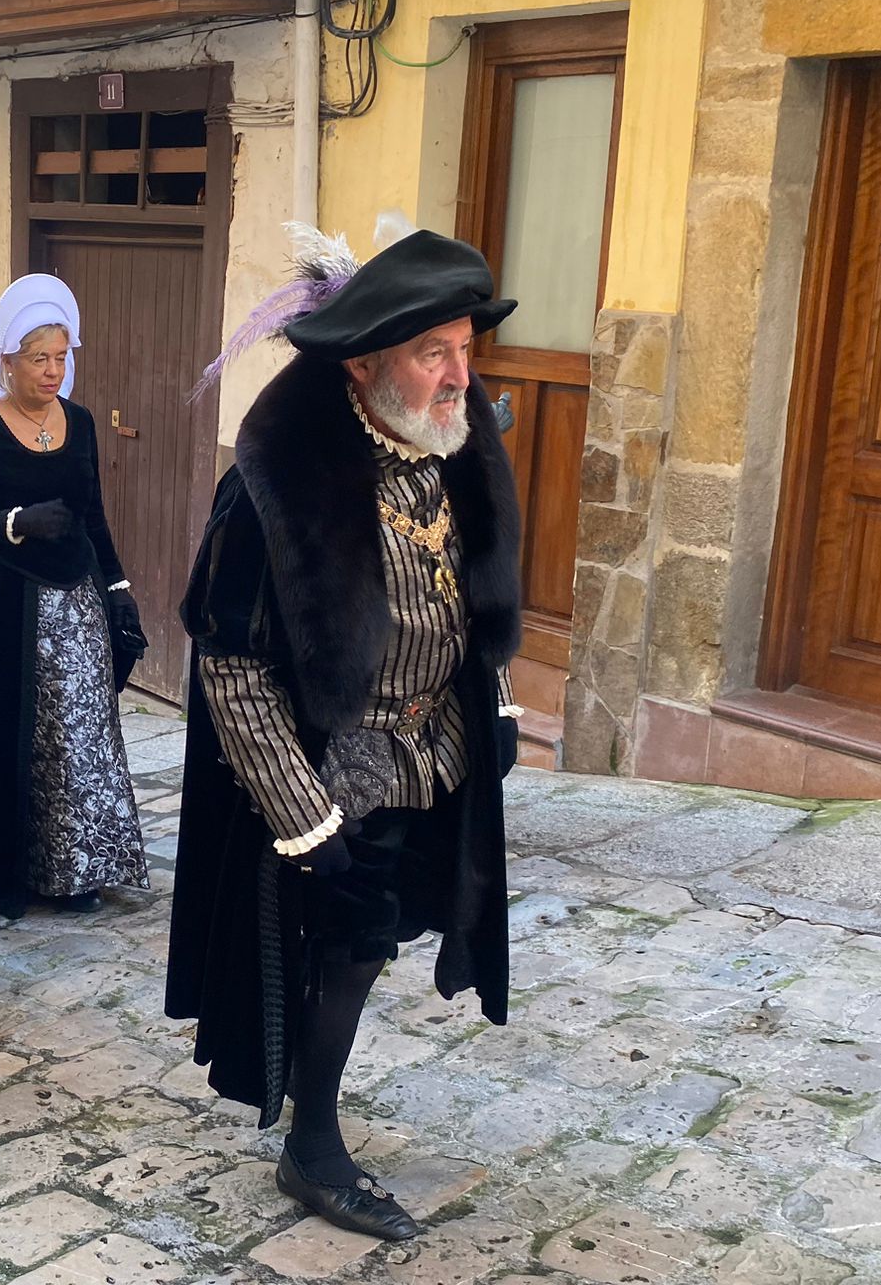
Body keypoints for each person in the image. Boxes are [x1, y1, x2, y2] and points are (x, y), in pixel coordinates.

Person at [165, 223, 523, 1241]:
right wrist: (304, 822)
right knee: (343, 942)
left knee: (385, 936)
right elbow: (228, 662)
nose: (458, 374)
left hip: (429, 748)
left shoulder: (451, 442)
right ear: (365, 365)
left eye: (464, 347)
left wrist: (489, 705)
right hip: (328, 763)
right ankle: (311, 1148)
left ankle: (315, 1125)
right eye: (432, 353)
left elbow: (470, 599)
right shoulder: (278, 480)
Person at [0, 274, 150, 918]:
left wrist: (118, 589)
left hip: (75, 604)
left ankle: (77, 869)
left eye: (61, 358)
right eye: (39, 359)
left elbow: (94, 516)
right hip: (5, 607)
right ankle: (7, 870)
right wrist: (13, 521)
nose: (53, 371)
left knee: (79, 735)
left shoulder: (79, 424)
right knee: (12, 736)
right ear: (7, 361)